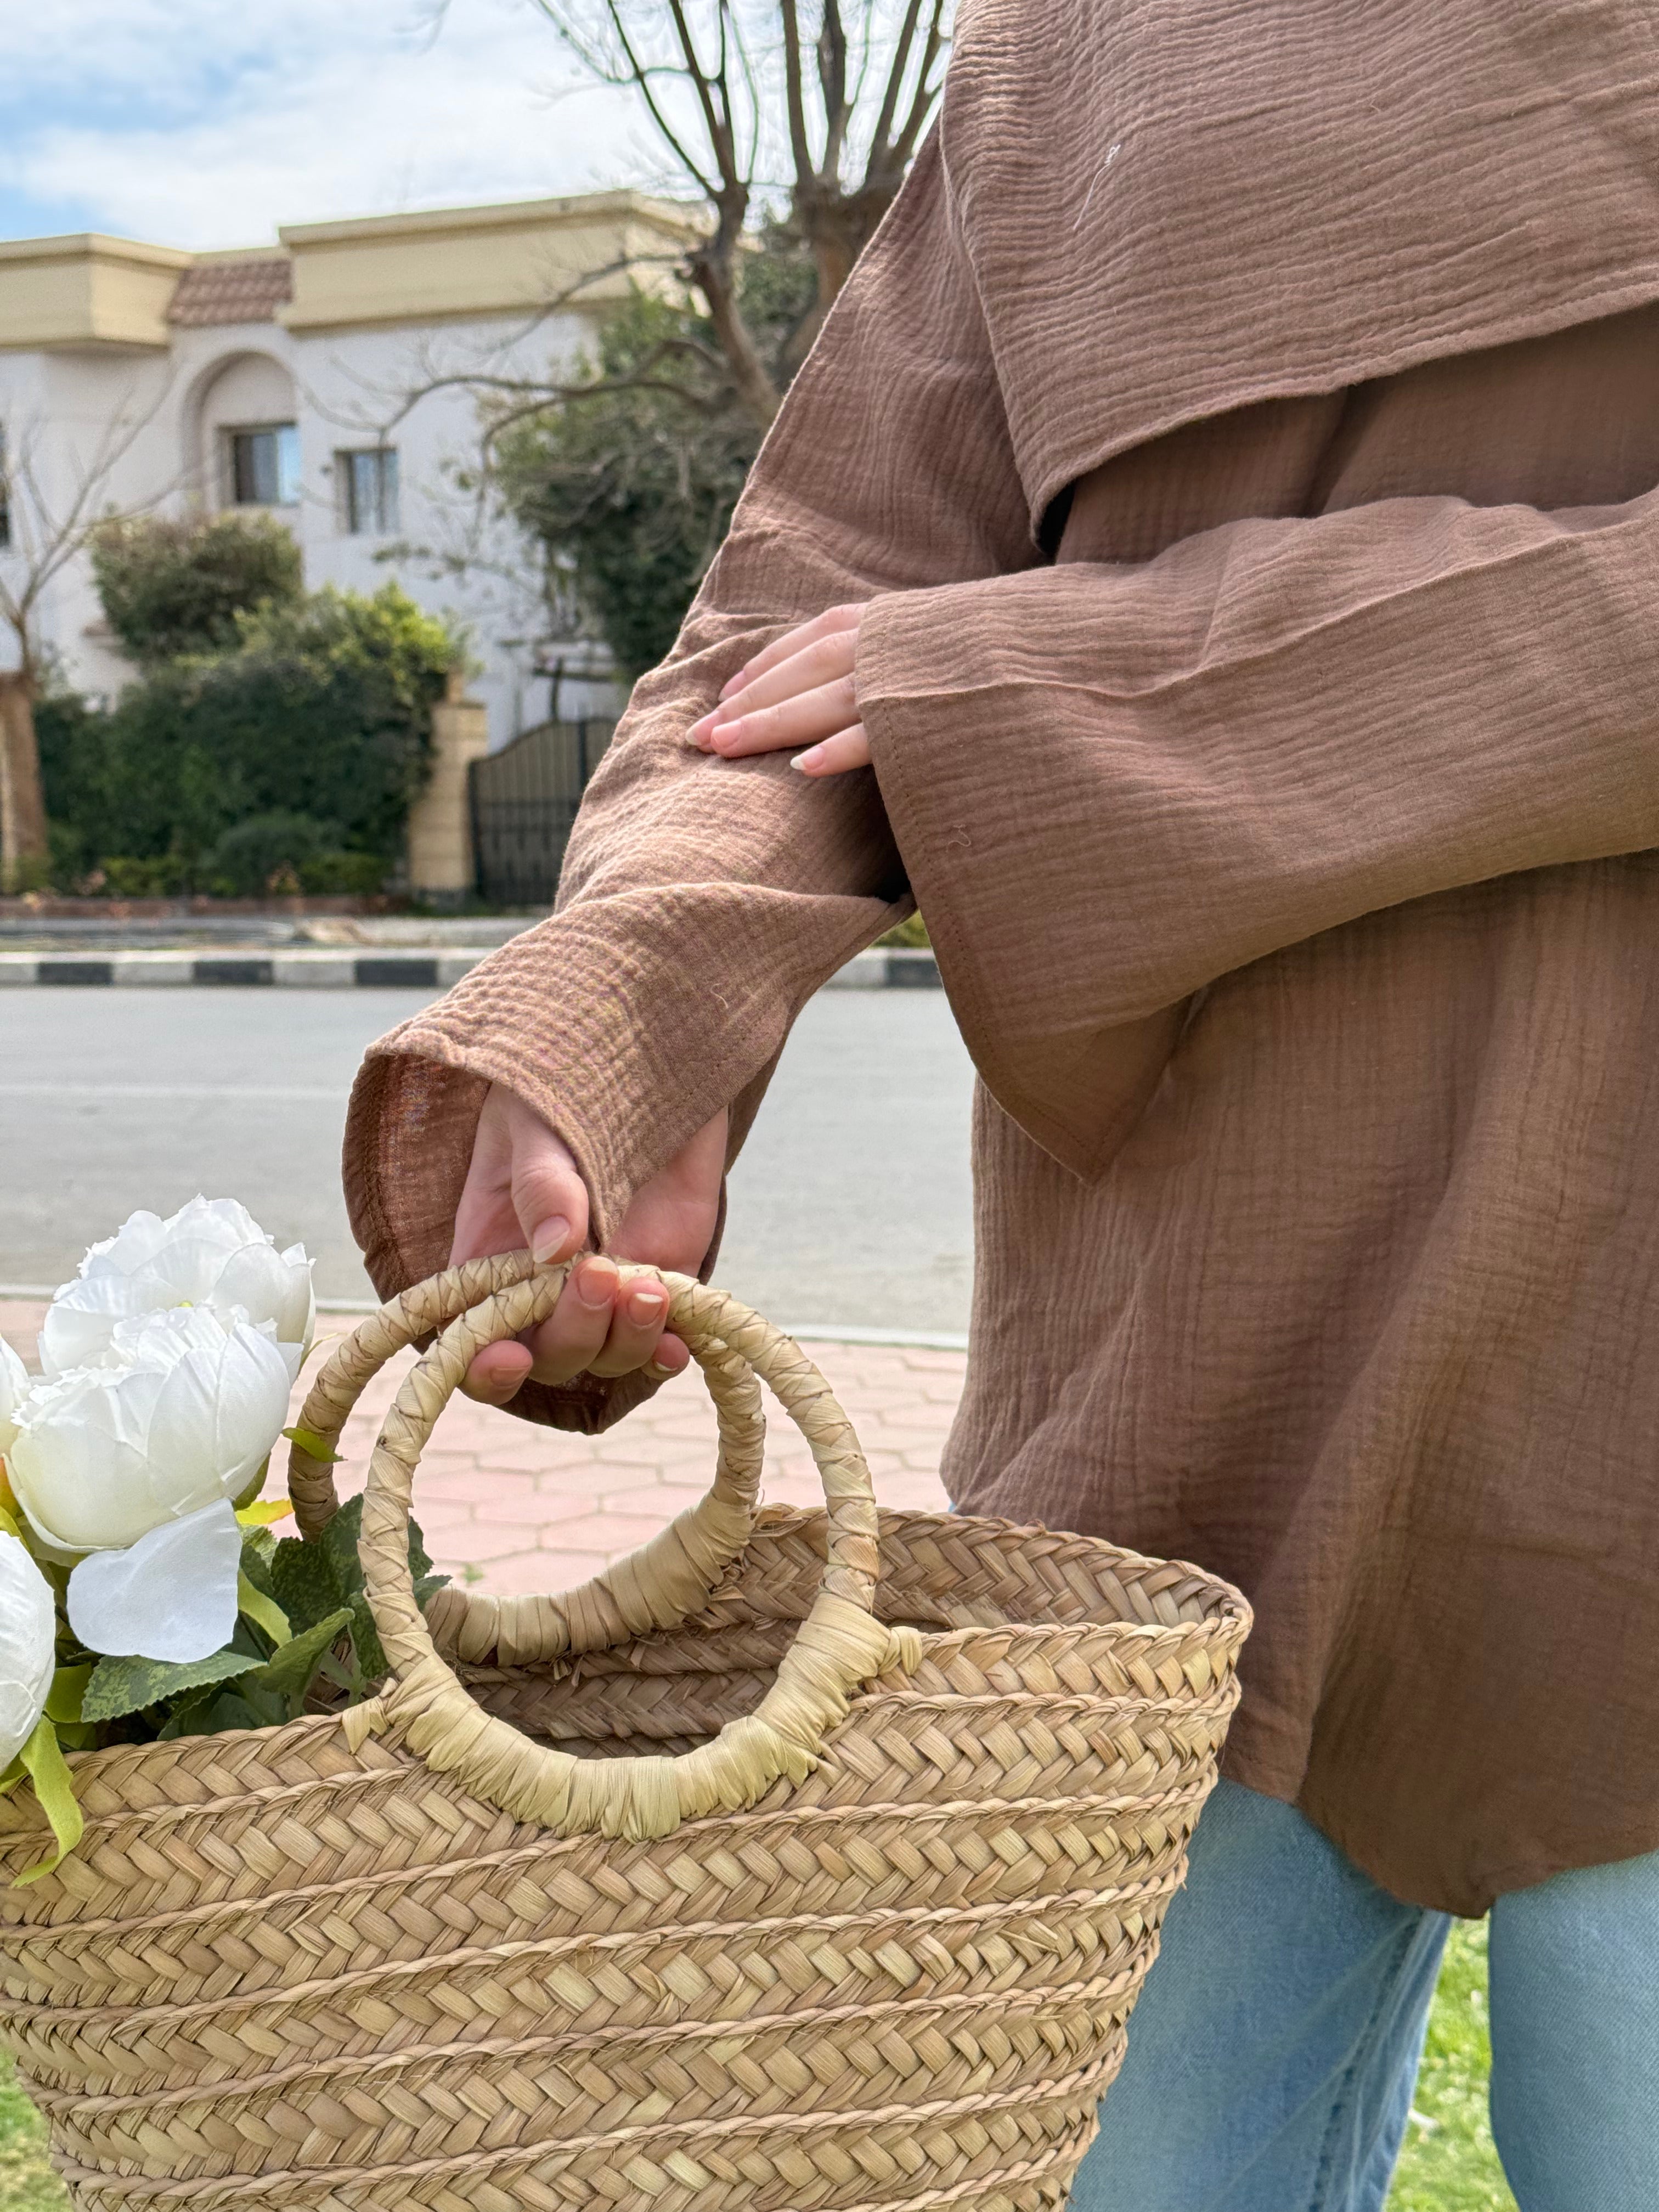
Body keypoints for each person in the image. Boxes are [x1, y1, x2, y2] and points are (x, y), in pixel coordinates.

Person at [343, 3, 1659, 2203]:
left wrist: (1113, 678)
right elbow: (812, 621)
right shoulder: (1073, 47)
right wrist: (626, 1037)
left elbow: (949, 675)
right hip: (1178, 1454)